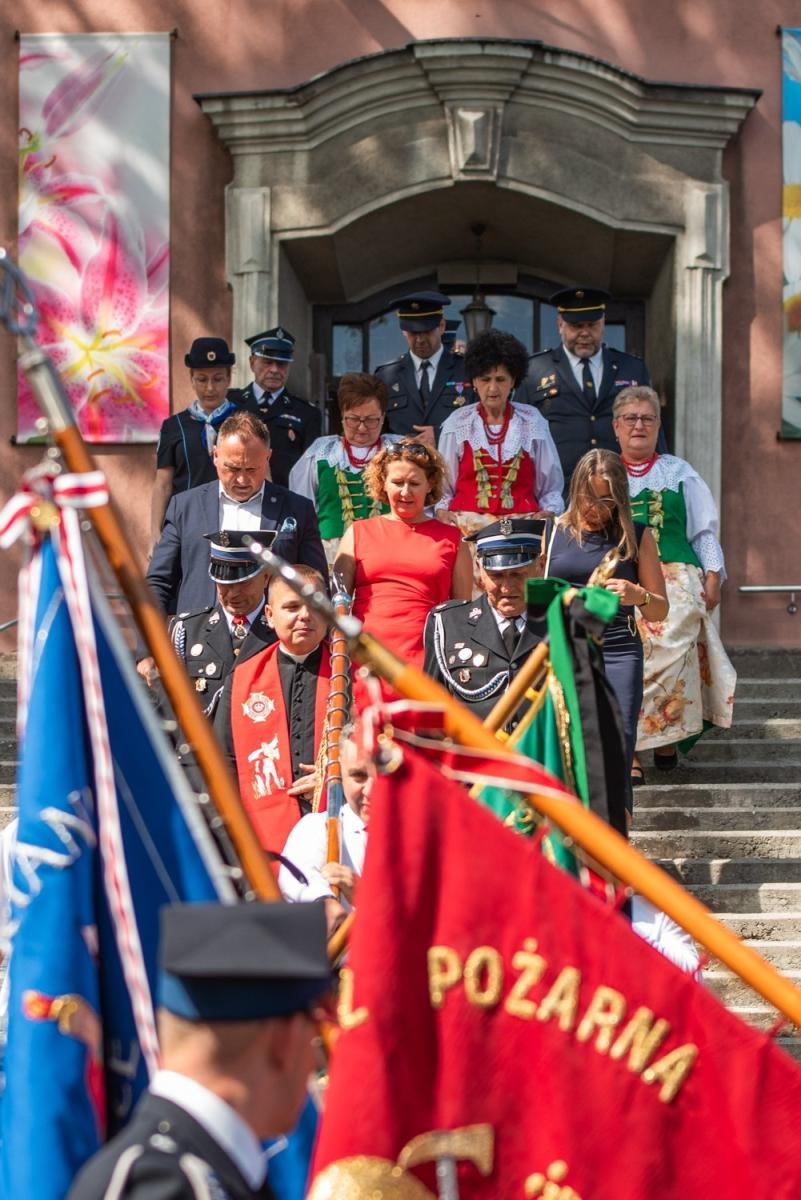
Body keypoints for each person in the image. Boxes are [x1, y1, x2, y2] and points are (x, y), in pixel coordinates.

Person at [68, 901, 331, 1200]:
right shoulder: (170, 1185)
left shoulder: (182, 1170)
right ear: (286, 1040)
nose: (314, 1060)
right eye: (316, 1034)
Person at [612, 385, 736, 776]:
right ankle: (628, 747)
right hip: (621, 573)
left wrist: (714, 573)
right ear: (616, 426)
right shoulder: (601, 472)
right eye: (631, 418)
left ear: (658, 425)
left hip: (677, 574)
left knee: (673, 629)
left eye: (647, 418)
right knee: (625, 643)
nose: (639, 425)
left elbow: (704, 531)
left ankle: (665, 736)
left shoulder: (681, 472)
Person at [544, 449, 668, 794]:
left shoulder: (637, 536)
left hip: (618, 651)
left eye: (607, 501)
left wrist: (637, 594)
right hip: (564, 648)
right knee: (568, 744)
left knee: (618, 744)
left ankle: (616, 834)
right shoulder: (551, 532)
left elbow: (660, 610)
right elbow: (533, 597)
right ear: (576, 490)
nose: (596, 509)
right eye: (589, 498)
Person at [147, 411, 327, 616]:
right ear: (215, 456)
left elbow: (317, 583)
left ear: (268, 457)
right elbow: (158, 582)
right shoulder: (185, 506)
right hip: (198, 638)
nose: (242, 480)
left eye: (251, 469)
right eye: (232, 469)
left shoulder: (297, 509)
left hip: (272, 639)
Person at [215, 567, 332, 856]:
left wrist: (334, 777)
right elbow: (224, 762)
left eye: (315, 604)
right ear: (269, 614)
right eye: (292, 606)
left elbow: (377, 751)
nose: (305, 615)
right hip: (261, 832)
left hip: (334, 825)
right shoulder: (242, 679)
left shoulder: (351, 674)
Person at [333, 441, 473, 669]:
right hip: (365, 662)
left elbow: (461, 613)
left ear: (430, 484)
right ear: (383, 483)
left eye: (414, 483)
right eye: (397, 483)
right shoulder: (358, 532)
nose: (405, 492)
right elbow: (338, 606)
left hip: (428, 662)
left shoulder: (453, 539)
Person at [516, 286, 657, 487]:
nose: (584, 333)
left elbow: (653, 430)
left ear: (603, 323)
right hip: (557, 493)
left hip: (622, 489)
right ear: (560, 325)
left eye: (592, 325)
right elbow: (519, 438)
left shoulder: (632, 368)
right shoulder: (534, 370)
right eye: (576, 326)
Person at [436, 328, 564, 544]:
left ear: (513, 380)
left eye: (501, 379)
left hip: (522, 533)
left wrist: (548, 512)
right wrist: (441, 511)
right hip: (467, 533)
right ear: (474, 382)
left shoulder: (532, 421)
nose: (493, 388)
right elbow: (443, 485)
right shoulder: (457, 423)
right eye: (485, 379)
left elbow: (550, 485)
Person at [423, 517, 549, 728]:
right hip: (476, 758)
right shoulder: (447, 624)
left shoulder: (563, 620)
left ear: (541, 566)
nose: (507, 587)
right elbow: (429, 713)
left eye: (518, 574)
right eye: (497, 576)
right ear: (479, 569)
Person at [137, 530, 278, 715]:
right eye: (224, 584)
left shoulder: (282, 630)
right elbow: (170, 710)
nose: (234, 593)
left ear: (265, 577)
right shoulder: (187, 631)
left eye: (244, 583)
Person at [289, 372, 401, 566]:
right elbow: (299, 510)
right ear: (341, 416)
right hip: (331, 558)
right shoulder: (321, 452)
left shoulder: (399, 451)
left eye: (371, 419)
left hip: (390, 555)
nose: (362, 428)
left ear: (383, 417)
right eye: (353, 419)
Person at [150, 338, 242, 552]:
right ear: (191, 379)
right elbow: (163, 483)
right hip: (186, 523)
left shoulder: (245, 420)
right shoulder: (174, 426)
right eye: (201, 379)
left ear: (229, 379)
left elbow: (263, 473)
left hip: (235, 521)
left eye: (218, 379)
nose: (210, 388)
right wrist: (155, 533)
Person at [279, 724, 372, 927]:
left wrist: (366, 898)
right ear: (340, 773)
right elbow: (300, 876)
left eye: (382, 776)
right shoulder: (317, 827)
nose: (371, 790)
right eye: (359, 776)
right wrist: (324, 902)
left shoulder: (431, 836)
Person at [374, 291, 474, 444]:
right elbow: (377, 429)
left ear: (441, 326)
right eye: (413, 333)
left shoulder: (467, 370)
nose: (420, 340)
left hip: (451, 464)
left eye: (426, 331)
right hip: (403, 464)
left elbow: (482, 422)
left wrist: (441, 435)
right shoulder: (386, 376)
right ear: (404, 331)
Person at [235, 326, 322, 487]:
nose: (274, 370)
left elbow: (311, 470)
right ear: (252, 363)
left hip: (285, 500)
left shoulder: (306, 413)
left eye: (282, 364)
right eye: (267, 362)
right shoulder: (231, 403)